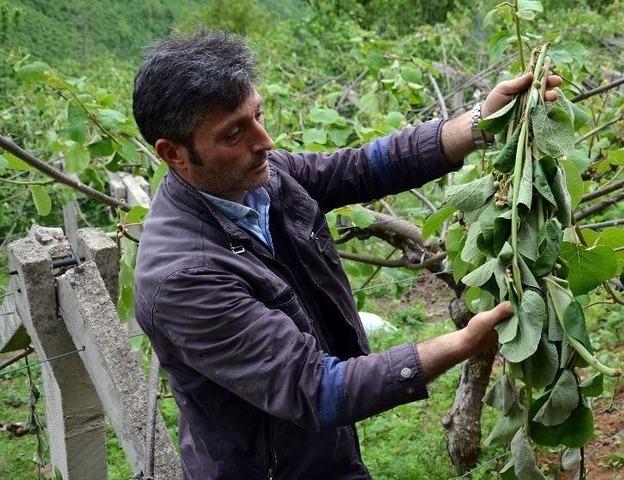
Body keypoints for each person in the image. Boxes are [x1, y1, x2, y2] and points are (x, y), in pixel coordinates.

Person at [132, 31, 561, 479]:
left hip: (322, 451)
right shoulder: (184, 277)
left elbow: (364, 167)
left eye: (257, 115)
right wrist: (461, 344)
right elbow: (316, 389)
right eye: (235, 132)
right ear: (173, 153)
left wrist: (479, 123)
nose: (266, 141)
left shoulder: (260, 179)